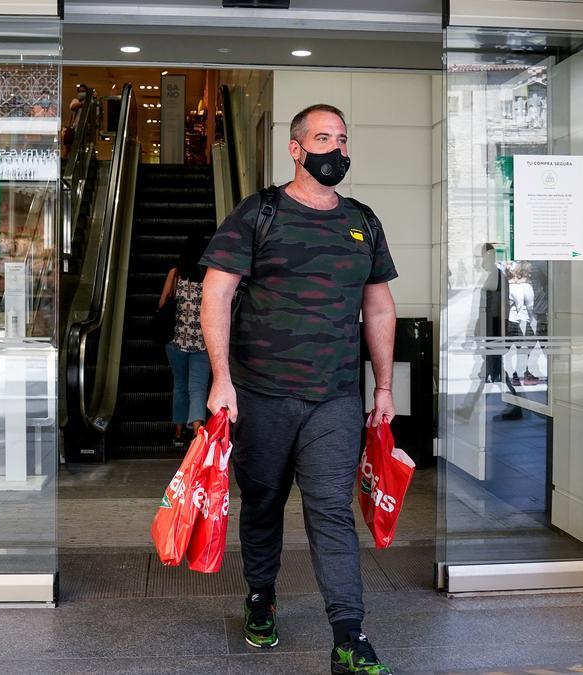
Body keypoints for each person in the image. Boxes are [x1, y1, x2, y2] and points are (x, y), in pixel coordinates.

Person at [200, 103, 399, 675]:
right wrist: (222, 379)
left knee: (332, 511)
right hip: (262, 393)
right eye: (322, 139)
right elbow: (216, 294)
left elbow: (379, 306)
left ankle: (349, 635)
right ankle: (261, 596)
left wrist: (383, 387)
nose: (335, 150)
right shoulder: (259, 212)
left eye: (341, 139)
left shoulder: (362, 220)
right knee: (262, 502)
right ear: (296, 148)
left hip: (335, 398)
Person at [159, 235, 211, 447]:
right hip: (203, 341)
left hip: (176, 340)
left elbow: (162, 303)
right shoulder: (210, 275)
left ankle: (178, 433)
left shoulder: (175, 274)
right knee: (197, 387)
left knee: (179, 385)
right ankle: (198, 434)